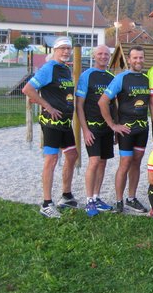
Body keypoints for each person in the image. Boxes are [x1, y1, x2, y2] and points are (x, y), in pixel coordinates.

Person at [22, 36, 78, 218]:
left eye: (68, 48)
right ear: (55, 50)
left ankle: (66, 196)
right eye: (62, 48)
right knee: (51, 160)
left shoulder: (65, 69)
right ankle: (46, 203)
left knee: (72, 155)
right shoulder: (49, 68)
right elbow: (28, 89)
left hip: (64, 122)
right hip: (51, 122)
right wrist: (48, 106)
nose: (66, 52)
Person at [99, 45, 150, 214]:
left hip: (142, 128)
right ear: (129, 60)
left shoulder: (147, 78)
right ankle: (119, 200)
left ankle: (132, 198)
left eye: (141, 57)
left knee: (137, 162)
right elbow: (103, 101)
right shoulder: (121, 78)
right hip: (126, 130)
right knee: (125, 163)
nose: (138, 61)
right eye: (135, 58)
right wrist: (113, 125)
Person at [75, 44, 116, 216]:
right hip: (92, 127)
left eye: (106, 54)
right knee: (94, 161)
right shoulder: (87, 76)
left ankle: (97, 197)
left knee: (103, 162)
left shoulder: (111, 76)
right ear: (94, 56)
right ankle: (89, 199)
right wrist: (85, 130)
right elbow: (79, 105)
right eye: (100, 54)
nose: (103, 57)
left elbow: (114, 104)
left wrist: (114, 127)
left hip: (107, 127)